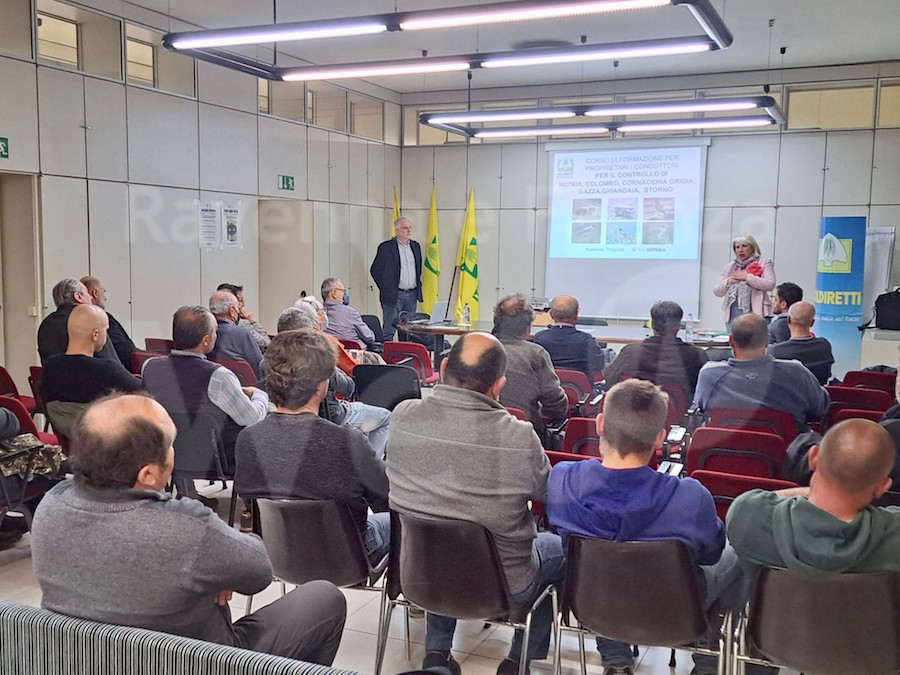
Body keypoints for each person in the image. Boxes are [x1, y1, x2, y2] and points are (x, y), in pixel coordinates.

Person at [30, 393, 346, 664]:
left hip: (89, 659)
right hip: (200, 661)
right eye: (170, 444)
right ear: (148, 474)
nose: (174, 452)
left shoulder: (50, 507)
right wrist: (215, 563)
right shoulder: (186, 527)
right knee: (324, 598)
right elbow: (259, 572)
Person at [387, 332, 564, 675]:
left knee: (441, 533)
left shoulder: (402, 415)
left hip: (419, 576)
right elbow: (549, 497)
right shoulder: (519, 436)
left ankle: (437, 654)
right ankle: (518, 661)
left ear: (442, 368)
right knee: (557, 549)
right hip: (502, 588)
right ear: (499, 386)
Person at [547, 379, 741, 675]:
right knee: (737, 552)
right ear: (660, 437)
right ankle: (706, 663)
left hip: (593, 604)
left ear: (600, 424)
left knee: (604, 568)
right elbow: (711, 553)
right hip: (674, 609)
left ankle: (616, 661)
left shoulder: (563, 481)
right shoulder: (690, 497)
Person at [235, 330, 390, 563]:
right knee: (400, 522)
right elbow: (385, 499)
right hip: (345, 559)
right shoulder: (349, 442)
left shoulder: (247, 439)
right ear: (321, 386)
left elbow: (250, 500)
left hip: (277, 553)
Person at [728, 418, 900, 578]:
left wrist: (813, 490)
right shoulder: (895, 534)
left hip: (777, 603)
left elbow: (759, 500)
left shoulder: (747, 515)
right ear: (883, 486)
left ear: (813, 457)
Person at [142, 306, 268, 502]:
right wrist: (260, 395)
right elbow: (251, 419)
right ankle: (251, 508)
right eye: (215, 331)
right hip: (217, 460)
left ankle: (188, 491)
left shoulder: (149, 367)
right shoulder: (218, 375)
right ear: (206, 340)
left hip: (166, 452)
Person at [275, 304, 391, 459]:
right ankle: (370, 467)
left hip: (285, 420)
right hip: (332, 416)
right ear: (308, 333)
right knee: (385, 417)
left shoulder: (268, 363)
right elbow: (348, 388)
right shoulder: (319, 359)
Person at [693, 313, 829, 432]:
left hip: (724, 451)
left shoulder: (709, 375)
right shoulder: (796, 372)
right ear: (767, 340)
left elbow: (701, 407)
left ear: (731, 340)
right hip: (787, 452)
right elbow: (821, 407)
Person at [41, 304, 142, 437]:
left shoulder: (49, 368)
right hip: (109, 443)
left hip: (71, 443)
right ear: (95, 334)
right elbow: (146, 393)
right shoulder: (108, 370)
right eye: (106, 330)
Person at [493, 294, 568, 439]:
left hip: (481, 429)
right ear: (527, 328)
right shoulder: (536, 354)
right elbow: (556, 404)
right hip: (526, 435)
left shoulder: (477, 349)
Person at [603, 300, 709, 401]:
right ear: (679, 326)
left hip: (634, 410)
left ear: (652, 325)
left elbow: (610, 379)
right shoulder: (696, 355)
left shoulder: (630, 352)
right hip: (677, 412)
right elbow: (705, 392)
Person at [37, 278, 119, 365]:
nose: (91, 297)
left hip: (53, 373)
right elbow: (111, 362)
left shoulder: (45, 324)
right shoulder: (89, 320)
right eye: (87, 293)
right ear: (78, 297)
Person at [370, 217, 423, 341]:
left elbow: (418, 268)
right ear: (397, 231)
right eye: (405, 228)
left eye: (409, 228)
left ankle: (405, 353)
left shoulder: (415, 246)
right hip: (394, 295)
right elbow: (375, 270)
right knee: (389, 330)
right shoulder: (386, 247)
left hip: (411, 294)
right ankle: (386, 353)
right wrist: (386, 287)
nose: (408, 231)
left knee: (408, 331)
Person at [533, 294, 606, 381]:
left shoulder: (540, 339)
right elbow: (600, 364)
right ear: (576, 314)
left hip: (547, 388)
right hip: (581, 388)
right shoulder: (586, 340)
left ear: (551, 314)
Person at [712, 235, 775, 329]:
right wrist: (729, 281)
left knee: (758, 338)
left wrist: (747, 278)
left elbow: (770, 284)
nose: (740, 250)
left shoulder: (764, 262)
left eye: (744, 246)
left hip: (757, 310)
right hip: (734, 310)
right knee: (734, 338)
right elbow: (717, 291)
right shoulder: (729, 267)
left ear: (752, 247)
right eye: (737, 247)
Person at [766, 301, 834, 384]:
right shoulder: (824, 346)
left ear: (788, 320)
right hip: (818, 391)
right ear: (812, 322)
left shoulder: (774, 351)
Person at [80, 275, 137, 370]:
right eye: (103, 292)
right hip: (123, 370)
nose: (105, 297)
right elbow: (122, 349)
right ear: (95, 293)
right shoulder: (101, 319)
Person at [207, 290, 264, 380]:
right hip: (245, 387)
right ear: (232, 311)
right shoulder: (242, 334)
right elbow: (259, 367)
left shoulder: (203, 334)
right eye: (238, 309)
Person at [321, 278, 376, 348]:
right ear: (334, 293)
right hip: (353, 353)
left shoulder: (317, 314)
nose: (345, 294)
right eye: (343, 291)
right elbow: (369, 337)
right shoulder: (351, 313)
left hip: (328, 353)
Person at [217, 283, 271, 351]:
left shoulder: (211, 324)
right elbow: (266, 344)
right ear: (233, 303)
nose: (243, 304)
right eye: (241, 301)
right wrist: (253, 322)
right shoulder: (243, 325)